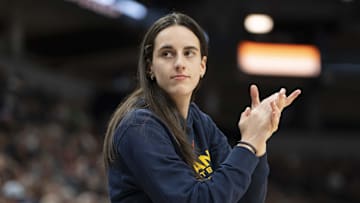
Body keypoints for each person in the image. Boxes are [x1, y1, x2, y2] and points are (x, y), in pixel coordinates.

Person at [102, 12, 301, 203]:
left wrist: (259, 140)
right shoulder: (140, 127)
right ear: (150, 67)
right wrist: (248, 143)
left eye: (189, 53)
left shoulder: (200, 122)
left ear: (202, 66)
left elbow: (245, 199)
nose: (179, 63)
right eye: (167, 54)